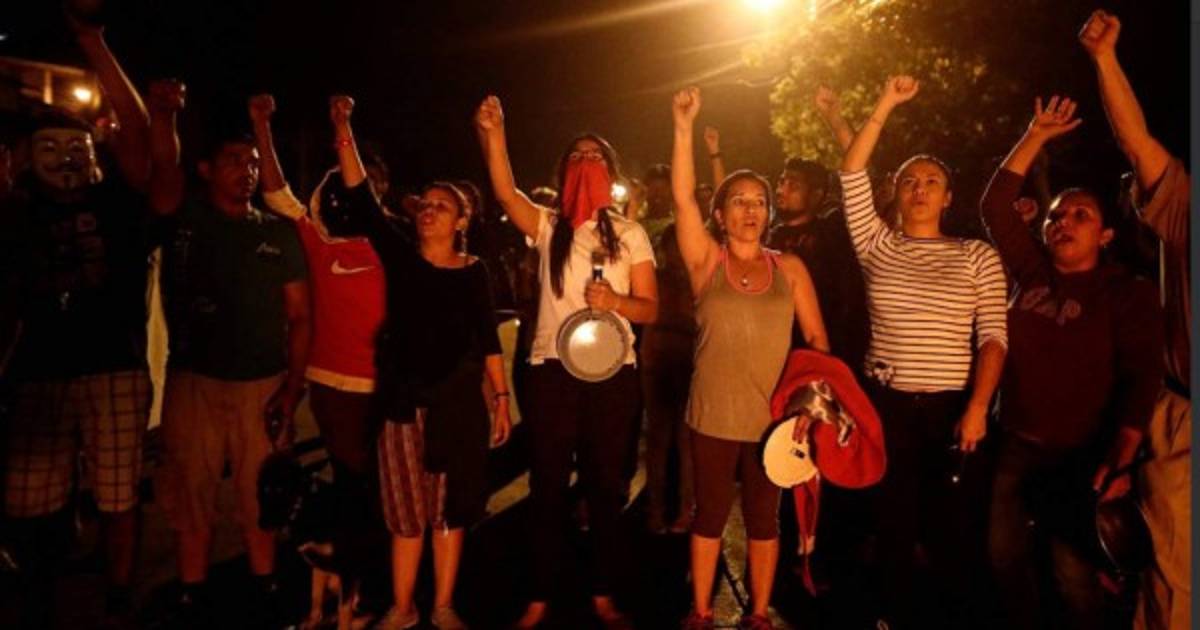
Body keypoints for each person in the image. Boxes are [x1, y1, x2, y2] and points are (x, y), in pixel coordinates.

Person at [314, 96, 510, 630]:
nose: (428, 210)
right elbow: (361, 196)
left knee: (449, 513)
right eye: (424, 203)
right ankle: (403, 607)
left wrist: (500, 399)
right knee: (405, 515)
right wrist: (343, 128)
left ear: (462, 220)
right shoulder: (400, 255)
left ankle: (443, 605)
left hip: (456, 410)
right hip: (402, 406)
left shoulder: (473, 271)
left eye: (442, 206)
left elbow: (487, 338)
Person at [475, 95, 658, 629]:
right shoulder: (548, 226)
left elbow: (651, 307)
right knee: (548, 488)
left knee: (604, 489)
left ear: (611, 173)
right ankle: (539, 595)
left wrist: (616, 302)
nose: (585, 163)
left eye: (595, 156)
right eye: (576, 156)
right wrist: (494, 134)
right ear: (562, 171)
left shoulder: (630, 234)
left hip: (612, 374)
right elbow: (505, 192)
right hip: (552, 369)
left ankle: (602, 593)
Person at [982, 95, 1164, 630]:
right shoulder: (1030, 270)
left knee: (1072, 572)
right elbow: (995, 206)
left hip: (1083, 454)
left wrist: (1122, 457)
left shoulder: (1127, 292)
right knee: (1003, 557)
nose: (1064, 221)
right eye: (1056, 215)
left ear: (1105, 235)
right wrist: (1036, 135)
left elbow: (1141, 378)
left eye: (1081, 215)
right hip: (1017, 442)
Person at [0, 14, 155, 627]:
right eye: (49, 149)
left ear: (94, 159)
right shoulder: (16, 212)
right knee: (29, 496)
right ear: (23, 159)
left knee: (118, 492)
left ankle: (117, 593)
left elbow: (139, 131)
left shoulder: (116, 202)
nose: (64, 159)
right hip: (36, 373)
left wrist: (95, 44)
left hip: (112, 366)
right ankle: (41, 588)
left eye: (76, 149)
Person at [839, 76, 1008, 629]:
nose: (920, 188)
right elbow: (851, 171)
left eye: (932, 181)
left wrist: (978, 406)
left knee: (952, 528)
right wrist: (885, 102)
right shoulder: (877, 243)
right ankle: (891, 617)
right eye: (909, 180)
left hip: (952, 408)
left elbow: (993, 337)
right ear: (895, 191)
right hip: (886, 405)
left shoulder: (976, 255)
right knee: (892, 523)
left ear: (948, 197)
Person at [146, 80, 312, 627]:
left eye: (252, 162)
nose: (246, 170)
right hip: (194, 379)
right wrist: (164, 116)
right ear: (206, 169)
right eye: (234, 161)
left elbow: (300, 316)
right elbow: (161, 172)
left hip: (261, 382)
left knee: (259, 493)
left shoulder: (278, 234)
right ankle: (191, 593)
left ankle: (264, 586)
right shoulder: (185, 221)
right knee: (190, 491)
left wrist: (291, 389)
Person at [671, 87, 828, 630]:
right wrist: (683, 127)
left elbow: (818, 342)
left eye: (759, 201)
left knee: (765, 519)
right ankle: (700, 610)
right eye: (738, 200)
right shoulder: (706, 263)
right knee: (709, 515)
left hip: (773, 421)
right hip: (712, 415)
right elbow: (683, 199)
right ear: (720, 213)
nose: (750, 209)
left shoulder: (790, 269)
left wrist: (810, 407)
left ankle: (758, 612)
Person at [250, 93, 389, 628]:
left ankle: (368, 592)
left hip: (381, 387)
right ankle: (349, 593)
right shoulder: (318, 239)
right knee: (351, 488)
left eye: (368, 184)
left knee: (372, 492)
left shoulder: (391, 241)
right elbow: (275, 193)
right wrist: (261, 125)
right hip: (331, 387)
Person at [1079, 11, 1191, 630]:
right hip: (1185, 426)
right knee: (1174, 591)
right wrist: (1105, 59)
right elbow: (1137, 143)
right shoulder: (1186, 209)